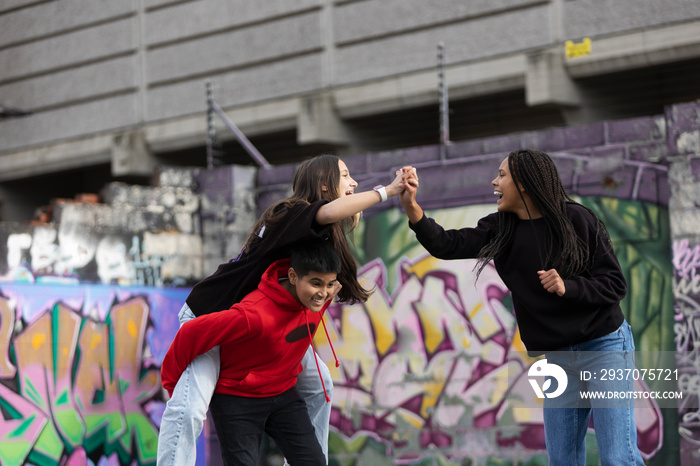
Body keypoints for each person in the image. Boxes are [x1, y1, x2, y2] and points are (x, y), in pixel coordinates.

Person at [157, 154, 414, 465]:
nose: (354, 182)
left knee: (321, 385)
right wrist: (388, 189)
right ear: (323, 184)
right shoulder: (291, 212)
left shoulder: (313, 233)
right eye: (345, 176)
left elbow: (337, 222)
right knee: (189, 411)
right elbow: (329, 211)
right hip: (211, 315)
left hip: (261, 323)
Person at [399, 149, 644, 465]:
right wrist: (411, 207)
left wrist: (568, 286)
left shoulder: (577, 220)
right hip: (559, 355)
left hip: (604, 345)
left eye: (501, 175)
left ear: (525, 183)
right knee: (563, 459)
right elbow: (447, 244)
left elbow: (615, 285)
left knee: (617, 457)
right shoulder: (502, 228)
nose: (494, 181)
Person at [161, 240, 342, 465]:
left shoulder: (319, 298)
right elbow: (191, 333)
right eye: (316, 284)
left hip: (282, 394)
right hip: (238, 399)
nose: (323, 293)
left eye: (329, 284)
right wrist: (171, 384)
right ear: (293, 276)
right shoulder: (254, 315)